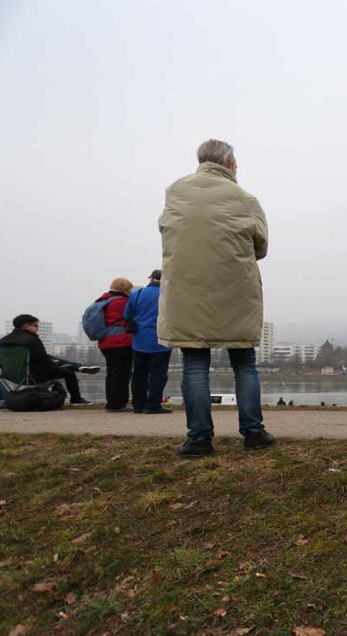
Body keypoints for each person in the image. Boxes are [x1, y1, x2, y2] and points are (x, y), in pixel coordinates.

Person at [158, 139, 275, 457]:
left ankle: (198, 439)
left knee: (195, 365)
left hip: (186, 291)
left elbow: (166, 232)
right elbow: (261, 246)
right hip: (235, 291)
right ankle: (253, 432)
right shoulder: (244, 198)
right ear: (230, 164)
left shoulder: (175, 192)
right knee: (244, 363)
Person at [0, 314, 100, 404]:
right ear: (26, 325)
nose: (37, 329)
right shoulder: (32, 340)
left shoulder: (2, 342)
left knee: (53, 359)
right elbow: (44, 363)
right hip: (33, 376)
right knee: (68, 372)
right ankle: (76, 397)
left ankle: (77, 366)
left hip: (9, 377)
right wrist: (58, 365)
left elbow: (1, 362)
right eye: (36, 326)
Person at [123, 269, 173, 414]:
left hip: (140, 340)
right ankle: (153, 405)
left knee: (139, 374)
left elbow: (126, 314)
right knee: (158, 374)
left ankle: (138, 405)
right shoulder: (168, 295)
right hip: (161, 340)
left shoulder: (137, 294)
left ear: (150, 278)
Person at [94, 278, 134, 412]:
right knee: (122, 373)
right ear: (125, 289)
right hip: (121, 341)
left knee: (112, 373)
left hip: (106, 342)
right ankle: (117, 404)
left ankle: (111, 402)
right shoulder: (122, 302)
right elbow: (131, 318)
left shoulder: (103, 300)